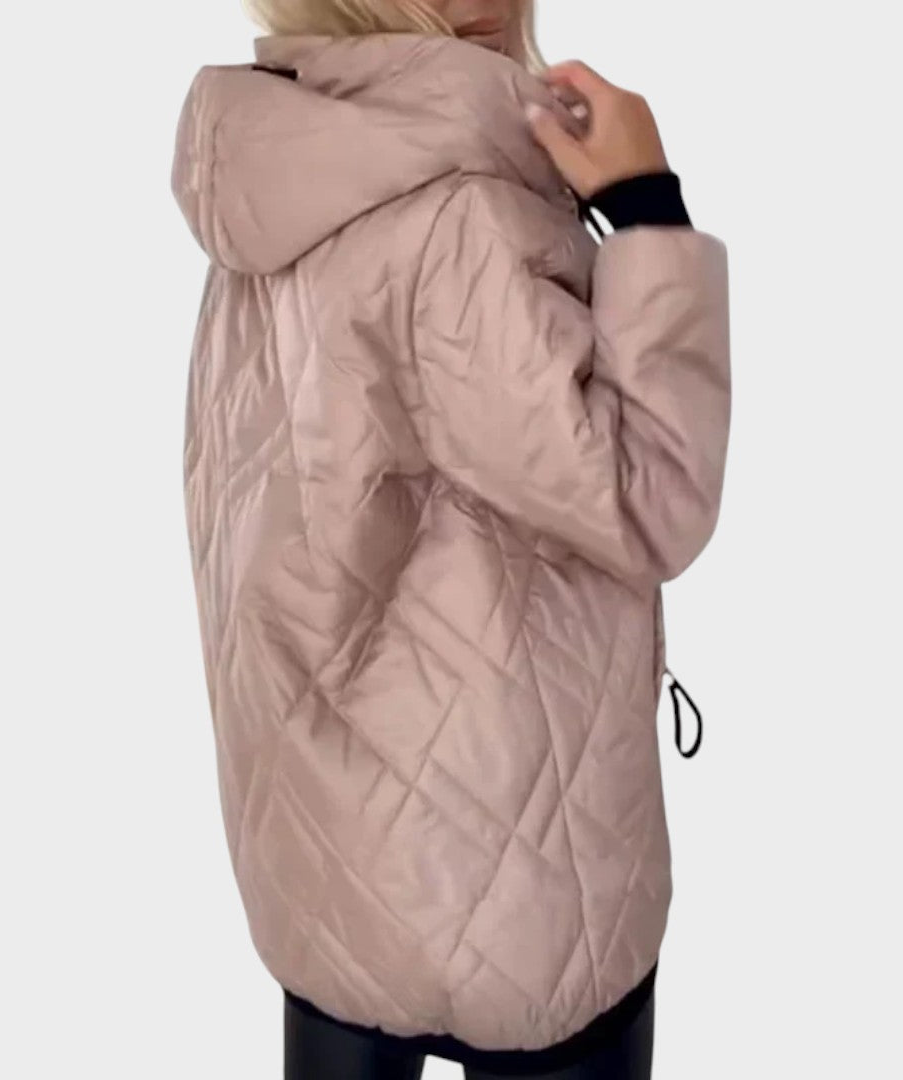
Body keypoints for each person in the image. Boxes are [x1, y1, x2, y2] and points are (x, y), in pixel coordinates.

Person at [170, 1, 731, 1076]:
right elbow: (648, 499)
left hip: (326, 859)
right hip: (521, 874)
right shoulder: (460, 214)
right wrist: (646, 206)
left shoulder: (275, 165)